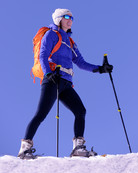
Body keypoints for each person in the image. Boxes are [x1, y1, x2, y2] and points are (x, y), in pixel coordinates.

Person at [18, 8, 113, 159]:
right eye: (67, 16)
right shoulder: (51, 34)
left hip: (66, 83)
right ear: (58, 19)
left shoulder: (70, 41)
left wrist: (101, 69)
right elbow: (43, 55)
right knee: (41, 114)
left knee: (80, 111)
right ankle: (24, 149)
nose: (70, 20)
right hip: (52, 80)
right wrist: (48, 73)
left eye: (72, 18)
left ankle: (78, 148)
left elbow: (81, 63)